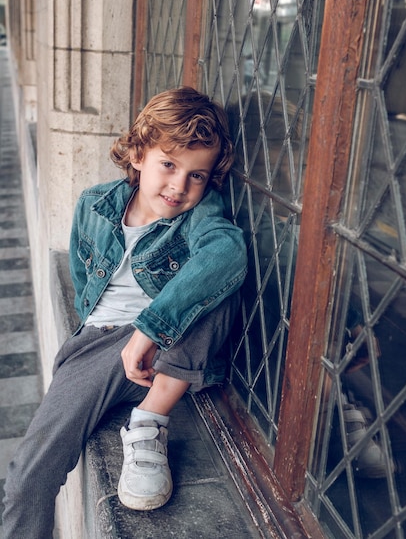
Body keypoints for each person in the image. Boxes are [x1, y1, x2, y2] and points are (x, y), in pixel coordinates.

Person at [2, 87, 248, 539]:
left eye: (197, 176)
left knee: (214, 279)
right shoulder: (94, 205)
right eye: (169, 165)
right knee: (25, 478)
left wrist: (149, 328)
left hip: (167, 355)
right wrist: (117, 337)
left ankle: (149, 421)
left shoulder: (200, 216)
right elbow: (81, 281)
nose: (179, 186)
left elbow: (227, 253)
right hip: (98, 348)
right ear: (137, 154)